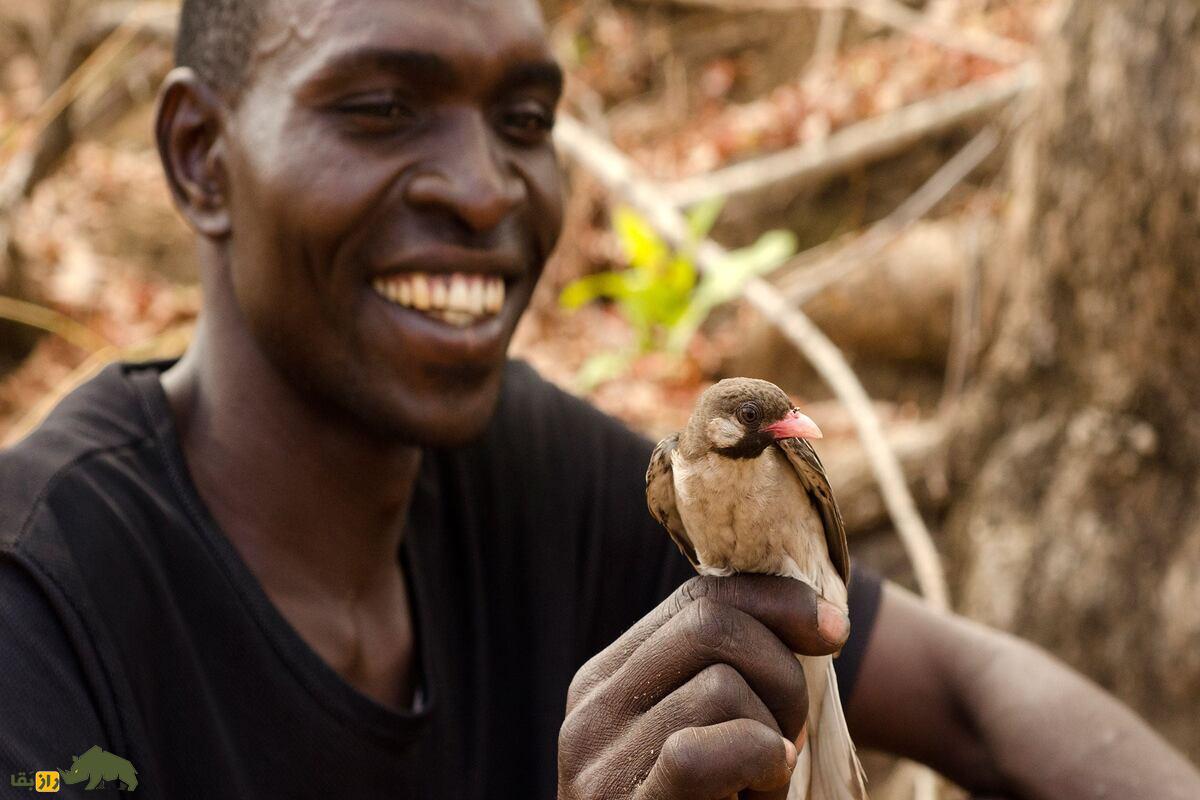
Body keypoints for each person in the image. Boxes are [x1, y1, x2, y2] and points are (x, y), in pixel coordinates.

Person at [1, 0, 1197, 797]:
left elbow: (976, 693)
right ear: (200, 155)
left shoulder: (535, 468)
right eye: (380, 109)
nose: (485, 187)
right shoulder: (36, 602)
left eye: (525, 119)